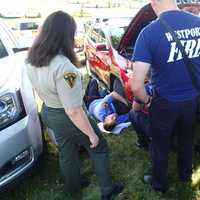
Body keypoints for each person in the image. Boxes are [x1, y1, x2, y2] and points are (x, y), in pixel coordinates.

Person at [25, 11, 123, 200]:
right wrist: (92, 134)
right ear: (64, 35)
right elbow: (74, 110)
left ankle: (73, 186)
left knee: (67, 150)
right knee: (99, 147)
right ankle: (107, 189)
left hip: (48, 111)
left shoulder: (32, 58)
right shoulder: (64, 67)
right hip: (67, 115)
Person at [130, 0, 200, 193]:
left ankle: (160, 183)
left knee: (160, 145)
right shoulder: (198, 23)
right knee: (187, 138)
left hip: (165, 101)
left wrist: (147, 101)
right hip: (193, 98)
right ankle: (185, 174)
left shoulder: (149, 32)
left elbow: (136, 85)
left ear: (153, 3)